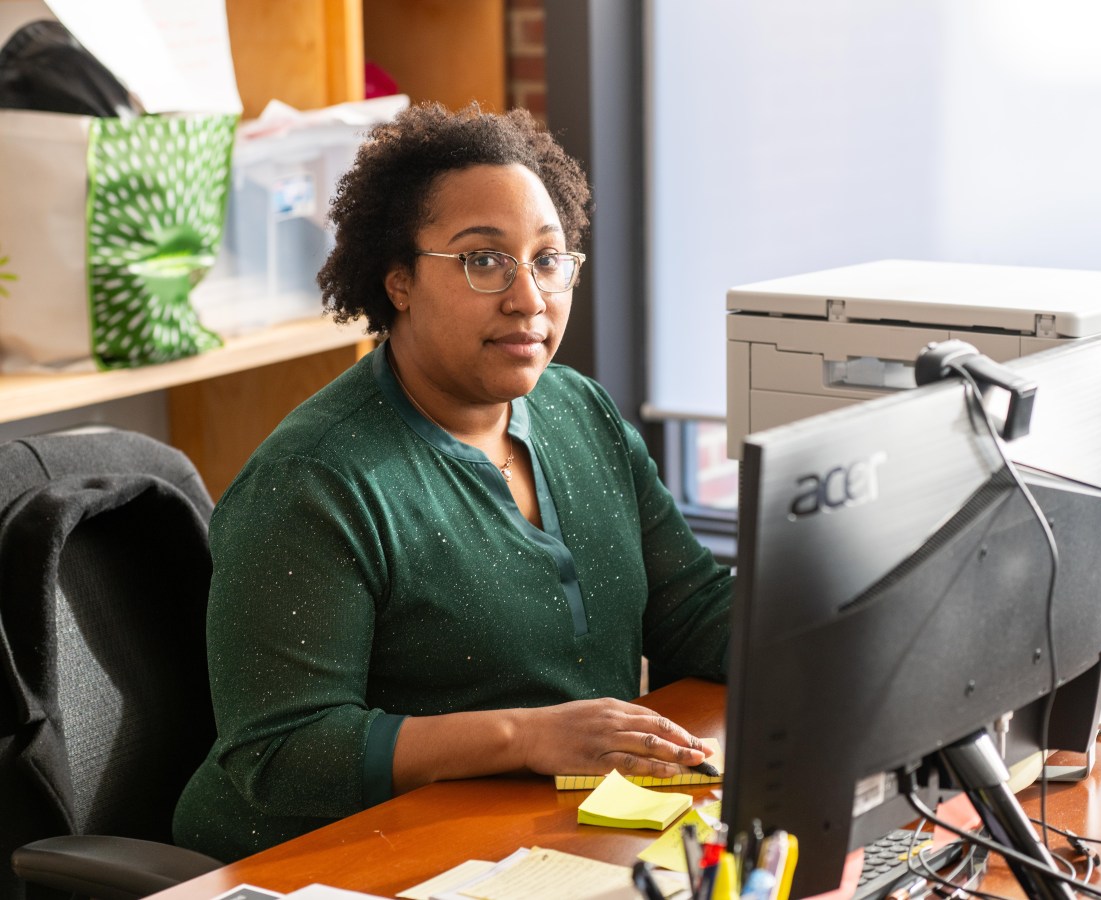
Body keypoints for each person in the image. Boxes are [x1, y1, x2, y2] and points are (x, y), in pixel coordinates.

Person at [172, 103, 733, 862]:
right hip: (339, 860)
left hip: (544, 836)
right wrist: (528, 735)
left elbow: (692, 612)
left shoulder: (579, 411)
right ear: (398, 280)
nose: (529, 298)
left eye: (547, 258)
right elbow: (280, 752)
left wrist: (860, 614)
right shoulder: (315, 481)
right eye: (483, 260)